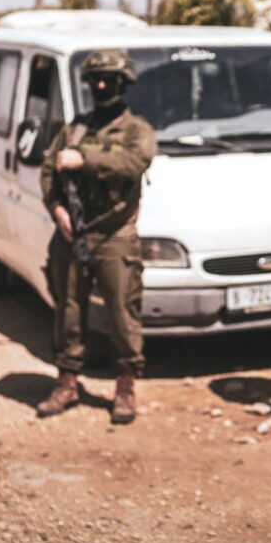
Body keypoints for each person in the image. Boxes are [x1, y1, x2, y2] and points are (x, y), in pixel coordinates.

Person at [38, 49, 156, 425]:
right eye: (95, 80)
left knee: (122, 313)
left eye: (109, 80)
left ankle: (124, 387)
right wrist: (57, 211)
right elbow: (47, 172)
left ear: (123, 84)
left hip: (114, 233)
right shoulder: (73, 129)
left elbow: (134, 163)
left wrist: (83, 160)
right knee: (68, 310)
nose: (101, 86)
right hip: (73, 232)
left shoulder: (137, 129)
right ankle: (67, 381)